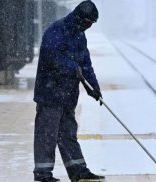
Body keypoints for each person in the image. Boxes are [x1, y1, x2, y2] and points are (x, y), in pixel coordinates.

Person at [33, 1, 105, 182]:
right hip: (50, 94)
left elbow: (85, 63)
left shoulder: (79, 36)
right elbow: (52, 58)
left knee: (67, 135)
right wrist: (73, 67)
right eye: (89, 22)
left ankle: (78, 171)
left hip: (67, 95)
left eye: (92, 24)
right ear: (80, 18)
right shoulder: (56, 31)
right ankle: (43, 175)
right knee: (47, 135)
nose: (89, 27)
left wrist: (94, 86)